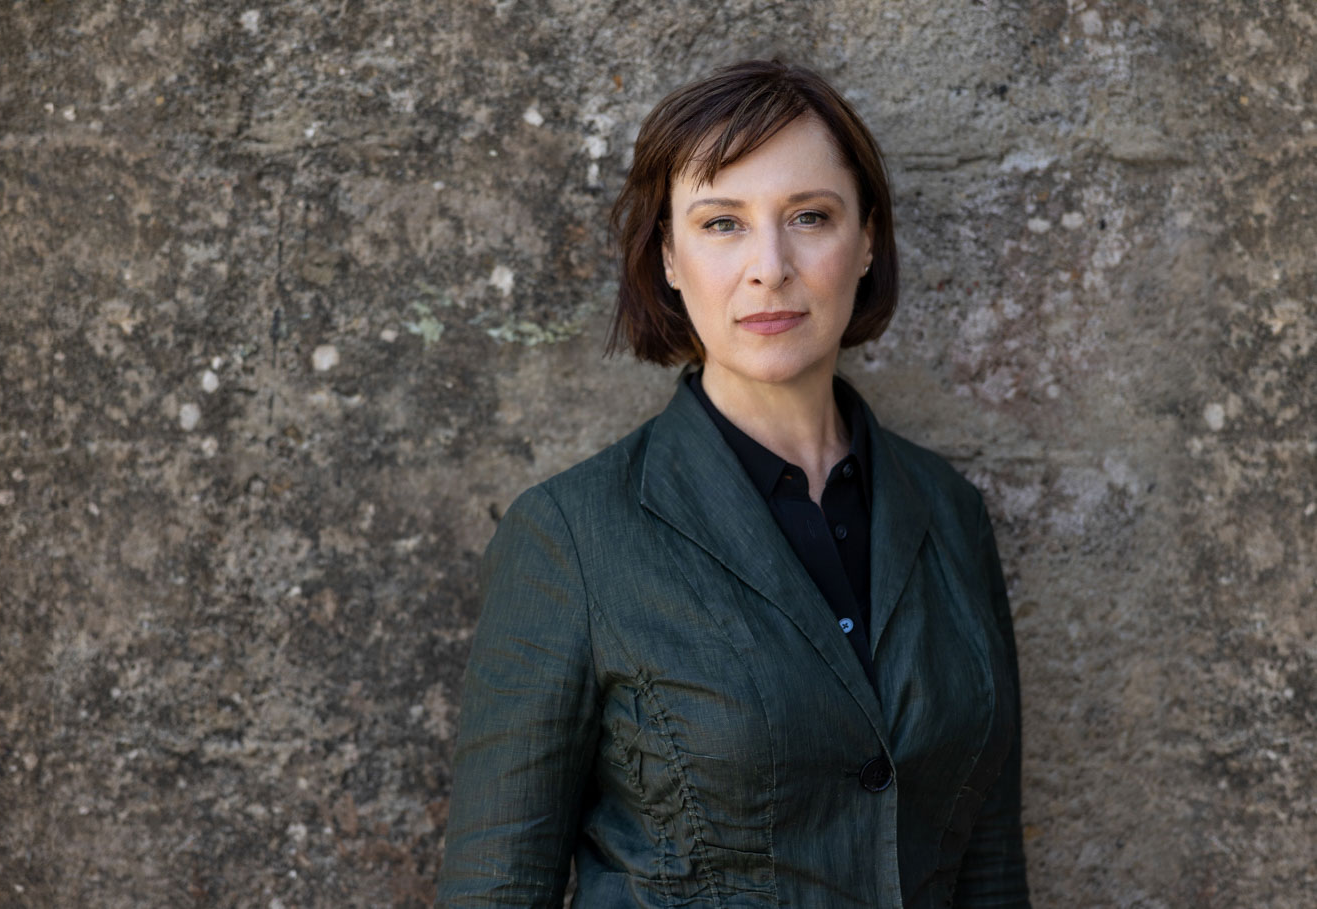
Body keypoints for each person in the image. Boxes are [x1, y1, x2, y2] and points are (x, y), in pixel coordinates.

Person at [436, 59, 1031, 909]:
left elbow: (991, 872)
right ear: (669, 257)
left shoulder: (950, 513)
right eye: (722, 223)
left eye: (810, 217)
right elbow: (496, 889)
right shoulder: (571, 538)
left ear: (866, 240)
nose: (770, 265)